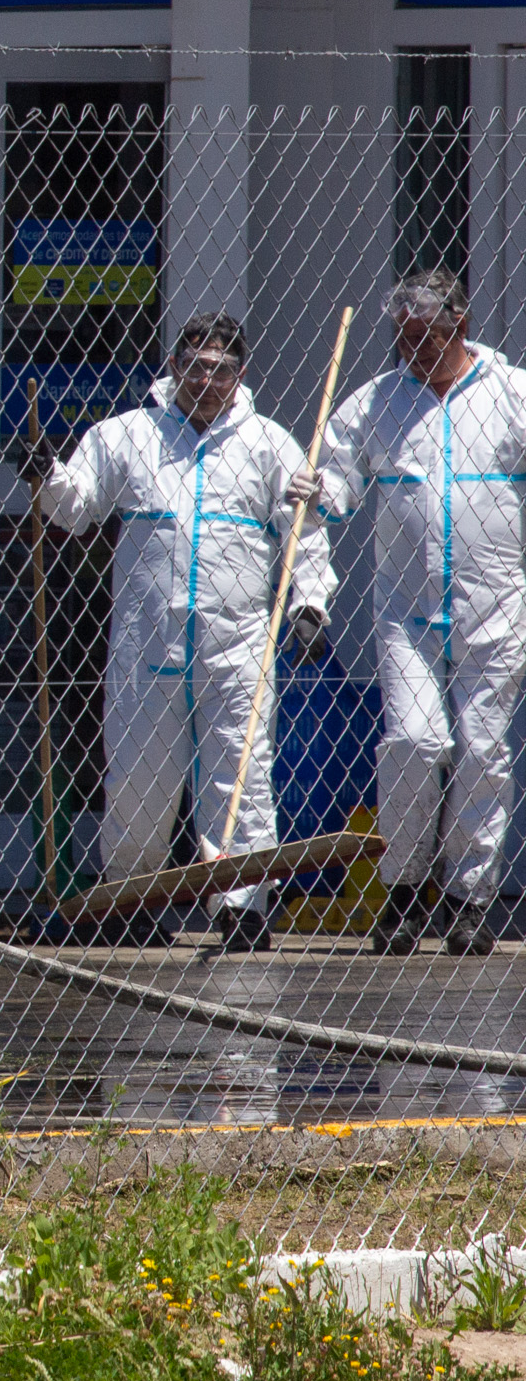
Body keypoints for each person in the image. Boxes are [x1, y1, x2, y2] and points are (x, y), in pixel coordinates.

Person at [12, 313, 335, 952]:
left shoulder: (270, 445)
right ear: (173, 367)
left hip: (239, 641)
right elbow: (77, 508)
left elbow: (306, 532)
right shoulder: (128, 435)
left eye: (217, 369)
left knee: (239, 775)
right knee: (137, 776)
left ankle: (242, 907)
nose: (203, 380)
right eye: (192, 366)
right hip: (147, 639)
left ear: (239, 373)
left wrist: (309, 604)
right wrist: (45, 474)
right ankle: (132, 898)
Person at [292, 270, 526, 956]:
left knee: (483, 749)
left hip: (498, 602)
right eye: (403, 337)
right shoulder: (374, 403)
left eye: (426, 336)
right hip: (405, 610)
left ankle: (466, 898)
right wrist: (320, 488)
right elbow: (338, 479)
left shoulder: (513, 396)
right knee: (415, 741)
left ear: (459, 322)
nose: (414, 350)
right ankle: (401, 887)